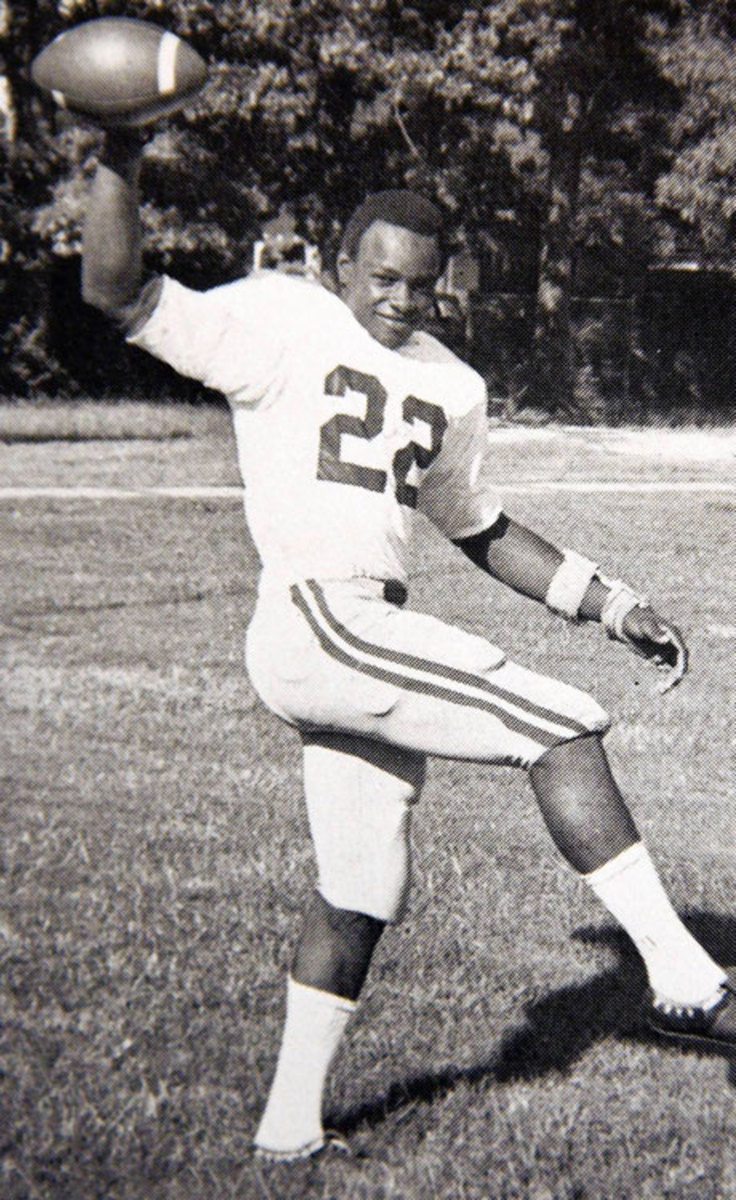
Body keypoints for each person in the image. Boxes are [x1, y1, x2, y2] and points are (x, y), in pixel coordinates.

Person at [81, 128, 735, 1163]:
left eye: (419, 283)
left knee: (363, 883)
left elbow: (481, 530)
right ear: (340, 266)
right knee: (560, 725)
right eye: (379, 276)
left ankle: (288, 1131)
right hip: (318, 615)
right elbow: (116, 290)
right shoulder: (280, 322)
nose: (398, 298)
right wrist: (117, 155)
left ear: (444, 283)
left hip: (358, 624)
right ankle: (687, 983)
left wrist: (609, 604)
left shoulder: (450, 383)